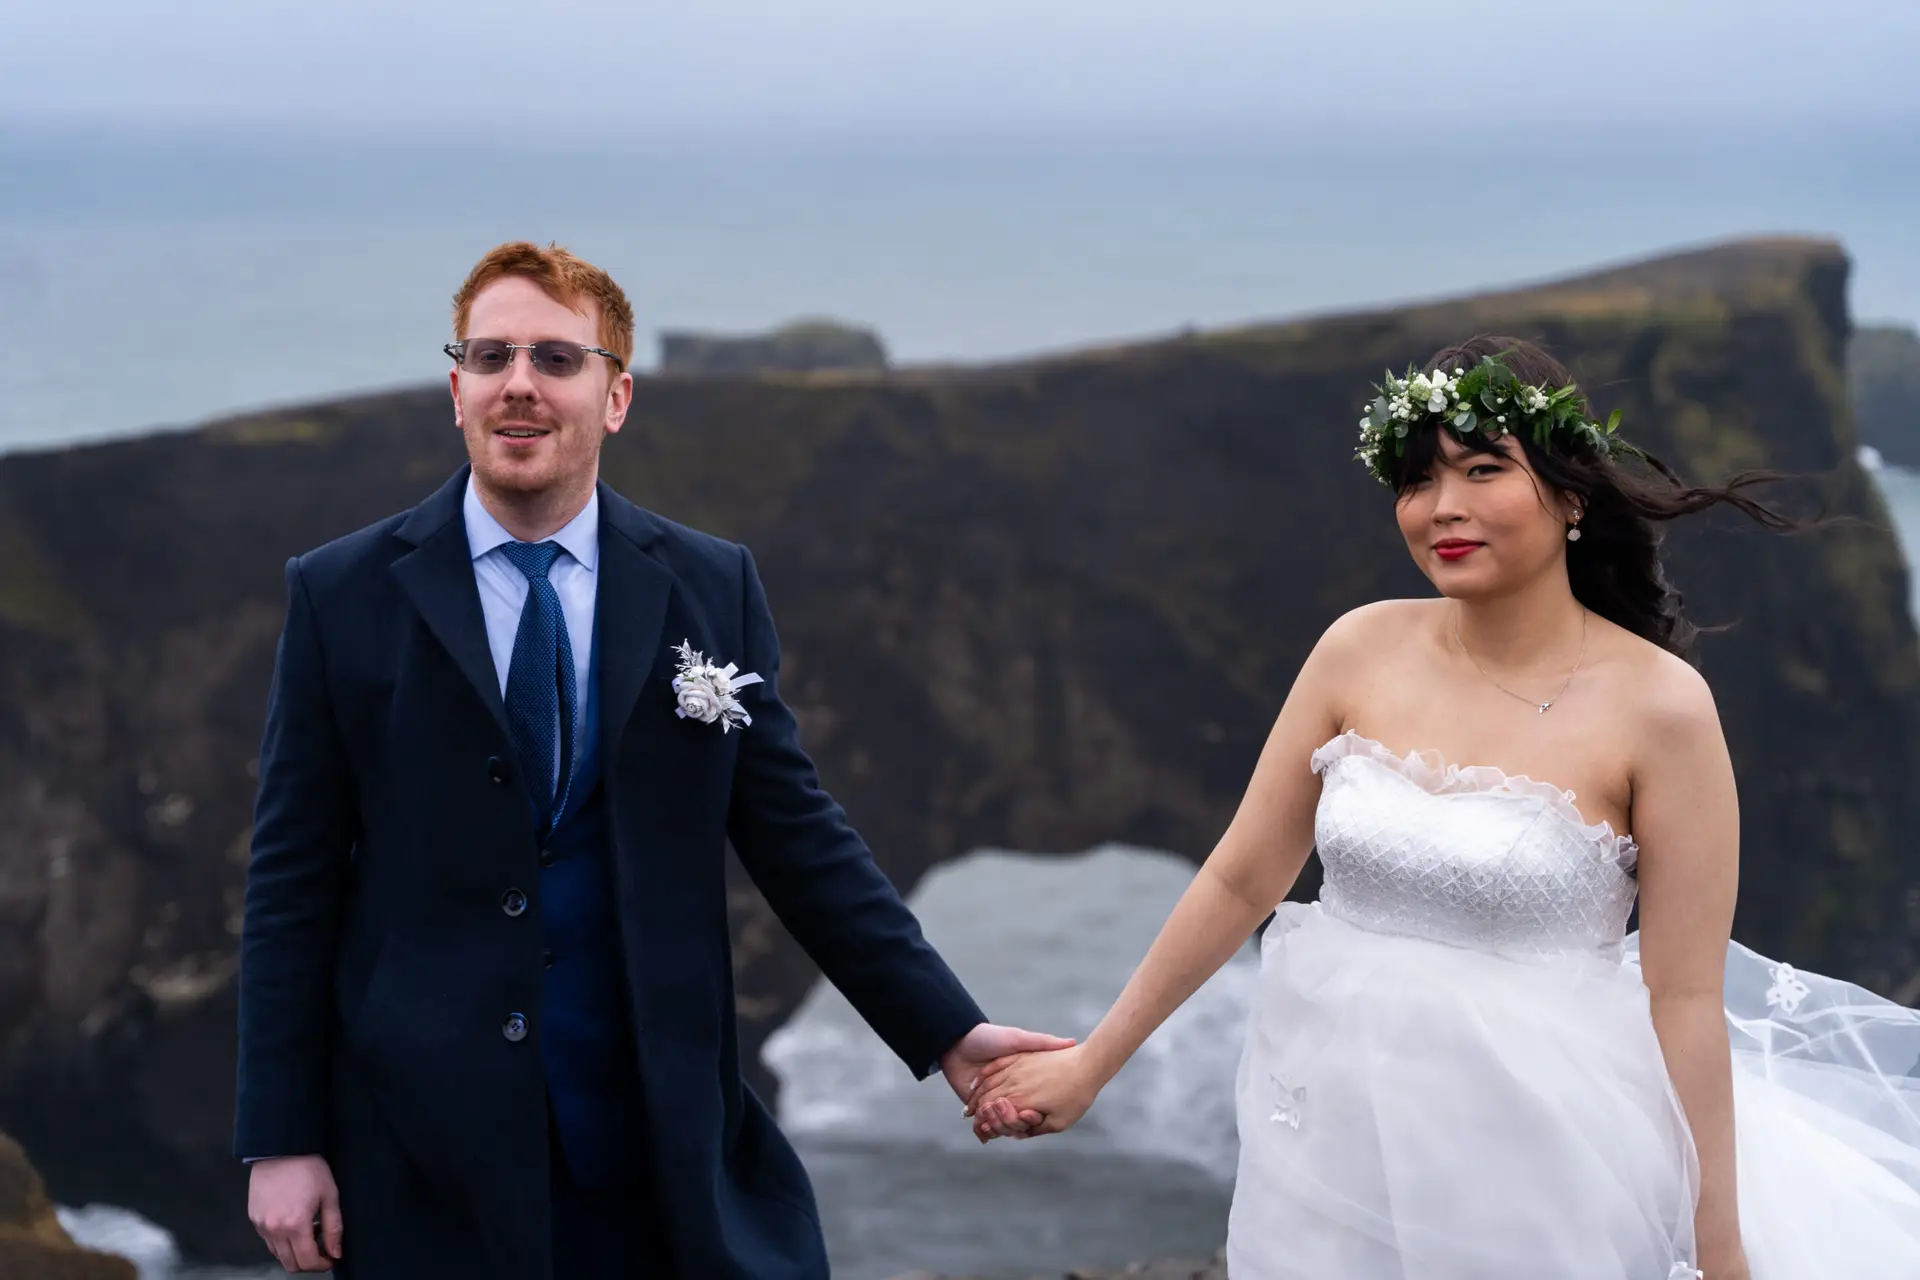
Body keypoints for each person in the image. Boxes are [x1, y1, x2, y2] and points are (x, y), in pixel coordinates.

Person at [965, 336, 1920, 1278]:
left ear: (1571, 496)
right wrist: (1093, 1064)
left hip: (1539, 1155)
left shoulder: (1661, 709)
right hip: (1326, 1130)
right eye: (1417, 481)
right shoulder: (1358, 648)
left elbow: (1682, 995)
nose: (1443, 509)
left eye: (1483, 468)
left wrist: (1719, 1250)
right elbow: (1240, 875)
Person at [233, 240, 1071, 1279]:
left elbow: (797, 834)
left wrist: (947, 1028)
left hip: (649, 1136)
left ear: (615, 393)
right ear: (456, 389)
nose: (520, 384)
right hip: (416, 1150)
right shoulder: (342, 593)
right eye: (490, 356)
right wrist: (281, 1135)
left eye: (555, 357)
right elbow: (290, 879)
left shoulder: (707, 584)